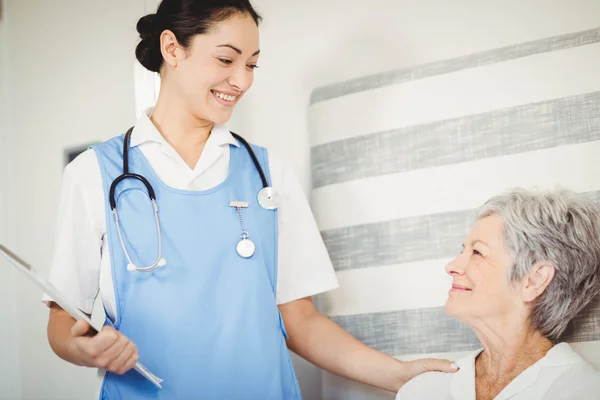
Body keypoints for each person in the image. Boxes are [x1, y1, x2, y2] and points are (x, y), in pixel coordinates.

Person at [42, 1, 457, 398]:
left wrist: (399, 375)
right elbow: (63, 320)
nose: (242, 80)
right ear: (172, 48)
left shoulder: (268, 174)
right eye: (226, 59)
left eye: (252, 64)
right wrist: (82, 350)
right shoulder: (94, 173)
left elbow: (301, 321)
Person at [395, 188, 600, 400]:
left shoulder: (587, 392)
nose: (451, 266)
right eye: (462, 250)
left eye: (477, 252)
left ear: (533, 280)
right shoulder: (422, 391)